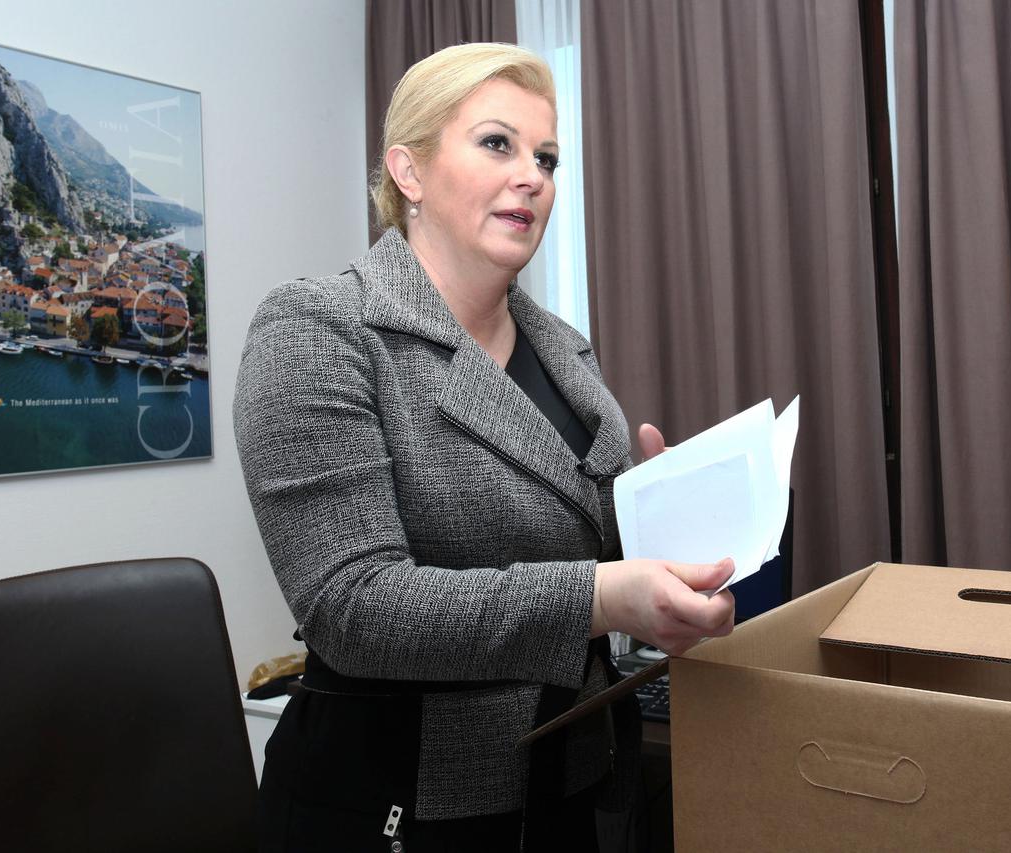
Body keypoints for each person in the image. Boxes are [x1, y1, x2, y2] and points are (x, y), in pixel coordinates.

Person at [233, 42, 736, 852]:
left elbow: (583, 542)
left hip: (572, 781)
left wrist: (660, 520)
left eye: (546, 158)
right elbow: (353, 606)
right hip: (401, 804)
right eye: (498, 143)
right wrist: (603, 596)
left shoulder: (566, 350)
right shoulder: (318, 328)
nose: (532, 176)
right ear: (409, 171)